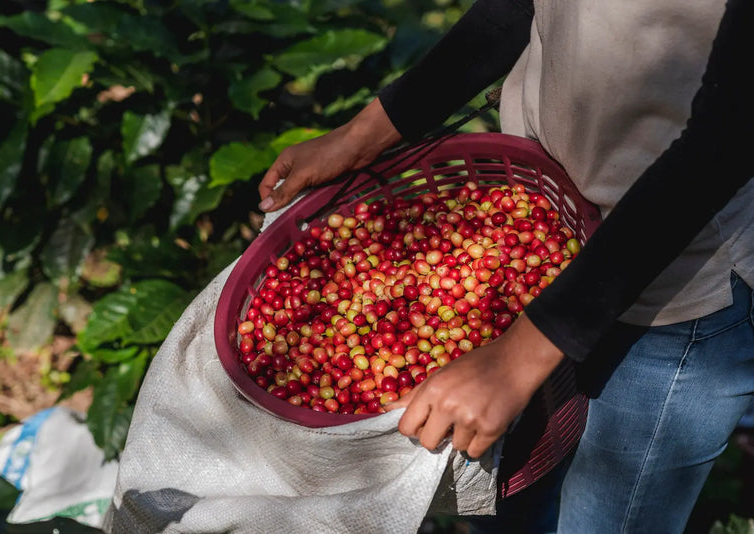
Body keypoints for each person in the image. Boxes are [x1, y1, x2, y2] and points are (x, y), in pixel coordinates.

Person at [258, 0, 754, 532]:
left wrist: (516, 361)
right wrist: (363, 135)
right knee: (506, 502)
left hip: (677, 289)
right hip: (542, 221)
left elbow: (727, 136)